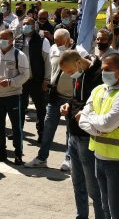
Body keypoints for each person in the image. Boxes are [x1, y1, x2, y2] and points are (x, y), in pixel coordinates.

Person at [79, 54, 119, 219]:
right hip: (100, 157)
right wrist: (98, 128)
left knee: (117, 212)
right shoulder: (99, 90)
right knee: (105, 208)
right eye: (102, 70)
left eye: (107, 70)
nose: (103, 73)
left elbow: (106, 123)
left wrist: (94, 121)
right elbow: (82, 120)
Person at [59, 50, 104, 219]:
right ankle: (81, 215)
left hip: (87, 137)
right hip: (73, 135)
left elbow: (98, 104)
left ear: (78, 62)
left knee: (94, 187)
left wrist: (84, 113)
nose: (70, 75)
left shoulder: (98, 75)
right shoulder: (79, 74)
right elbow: (77, 98)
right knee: (77, 183)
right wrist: (68, 105)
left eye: (70, 71)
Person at [24, 28, 76, 171]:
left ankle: (68, 159)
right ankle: (42, 158)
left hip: (70, 98)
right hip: (54, 96)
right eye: (56, 41)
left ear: (68, 39)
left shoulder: (79, 51)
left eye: (60, 42)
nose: (57, 44)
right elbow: (51, 67)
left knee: (70, 131)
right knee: (48, 128)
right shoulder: (53, 48)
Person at [0, 29, 30, 165]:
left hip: (13, 95)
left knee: (16, 127)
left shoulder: (19, 55)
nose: (1, 40)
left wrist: (10, 82)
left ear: (11, 40)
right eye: (0, 38)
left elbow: (25, 74)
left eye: (5, 38)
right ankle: (1, 152)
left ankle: (18, 154)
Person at [15, 16, 51, 142]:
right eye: (24, 24)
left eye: (28, 24)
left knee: (40, 109)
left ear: (34, 25)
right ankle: (18, 132)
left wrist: (46, 80)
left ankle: (41, 133)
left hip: (37, 80)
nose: (25, 26)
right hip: (22, 81)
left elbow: (48, 62)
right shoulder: (18, 40)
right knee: (20, 108)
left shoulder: (42, 40)